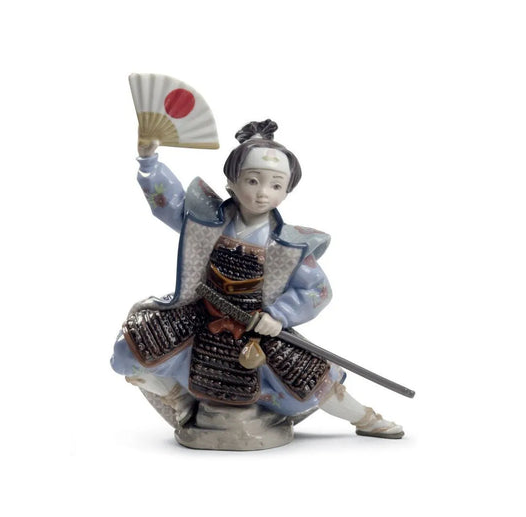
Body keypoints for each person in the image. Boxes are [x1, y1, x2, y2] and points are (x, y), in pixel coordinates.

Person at [111, 119, 403, 440]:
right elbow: (169, 202)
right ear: (232, 182)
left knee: (311, 377)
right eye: (252, 181)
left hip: (257, 326)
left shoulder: (288, 244)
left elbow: (317, 290)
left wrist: (278, 316)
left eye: (276, 185)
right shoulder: (207, 221)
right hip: (201, 314)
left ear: (286, 191)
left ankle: (366, 419)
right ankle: (180, 402)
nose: (262, 193)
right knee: (131, 348)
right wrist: (149, 162)